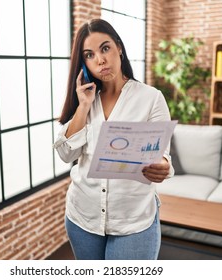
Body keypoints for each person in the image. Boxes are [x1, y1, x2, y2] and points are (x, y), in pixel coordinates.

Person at [53, 19, 174, 260]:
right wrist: (84, 106)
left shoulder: (152, 98)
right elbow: (66, 153)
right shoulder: (86, 100)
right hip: (83, 218)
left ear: (119, 47)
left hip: (133, 222)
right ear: (84, 62)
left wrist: (163, 166)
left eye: (105, 48)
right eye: (90, 54)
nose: (100, 60)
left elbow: (162, 155)